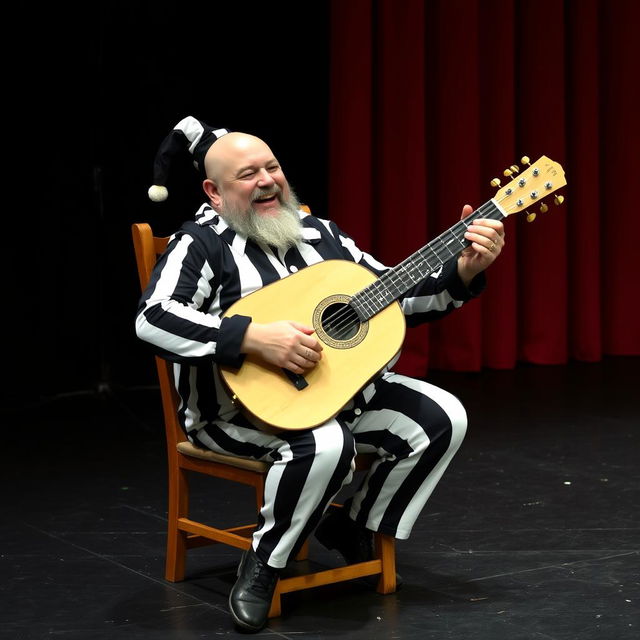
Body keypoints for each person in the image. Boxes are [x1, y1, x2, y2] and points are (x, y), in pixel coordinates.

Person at [136, 116, 505, 632]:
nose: (267, 180)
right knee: (327, 445)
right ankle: (264, 562)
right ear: (213, 192)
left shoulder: (320, 233)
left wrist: (465, 268)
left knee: (442, 416)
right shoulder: (200, 244)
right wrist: (251, 338)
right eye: (247, 174)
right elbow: (152, 319)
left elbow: (394, 299)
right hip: (233, 412)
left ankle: (351, 524)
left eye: (272, 167)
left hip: (336, 395)